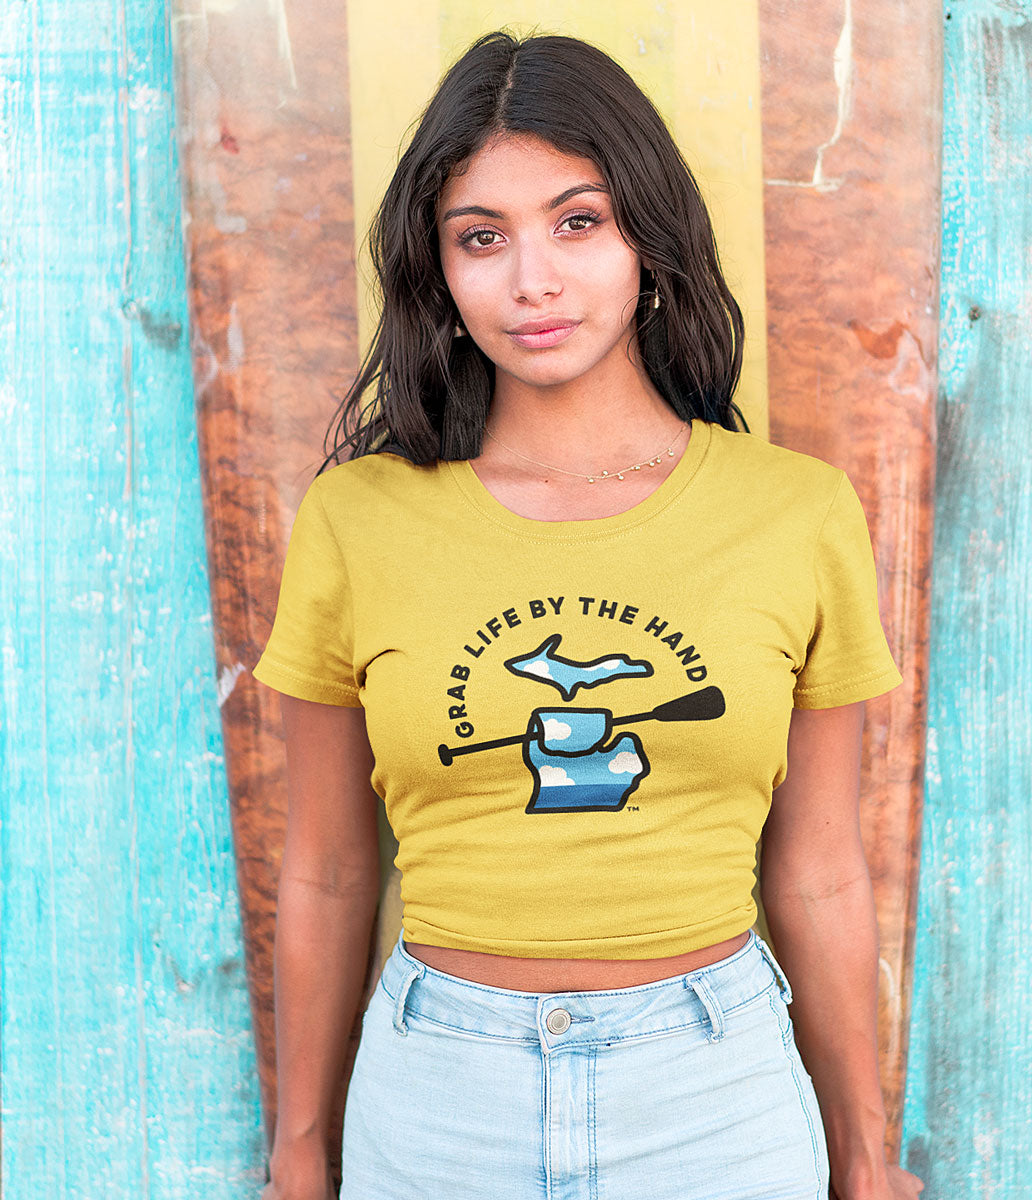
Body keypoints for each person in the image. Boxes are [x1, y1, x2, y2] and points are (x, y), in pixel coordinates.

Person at [252, 28, 925, 1200]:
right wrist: (301, 1152)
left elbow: (817, 870)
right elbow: (321, 869)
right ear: (441, 274)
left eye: (579, 222)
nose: (534, 281)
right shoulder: (358, 520)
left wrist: (865, 1158)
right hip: (434, 1096)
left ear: (649, 242)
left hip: (715, 1095)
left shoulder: (795, 514)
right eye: (482, 238)